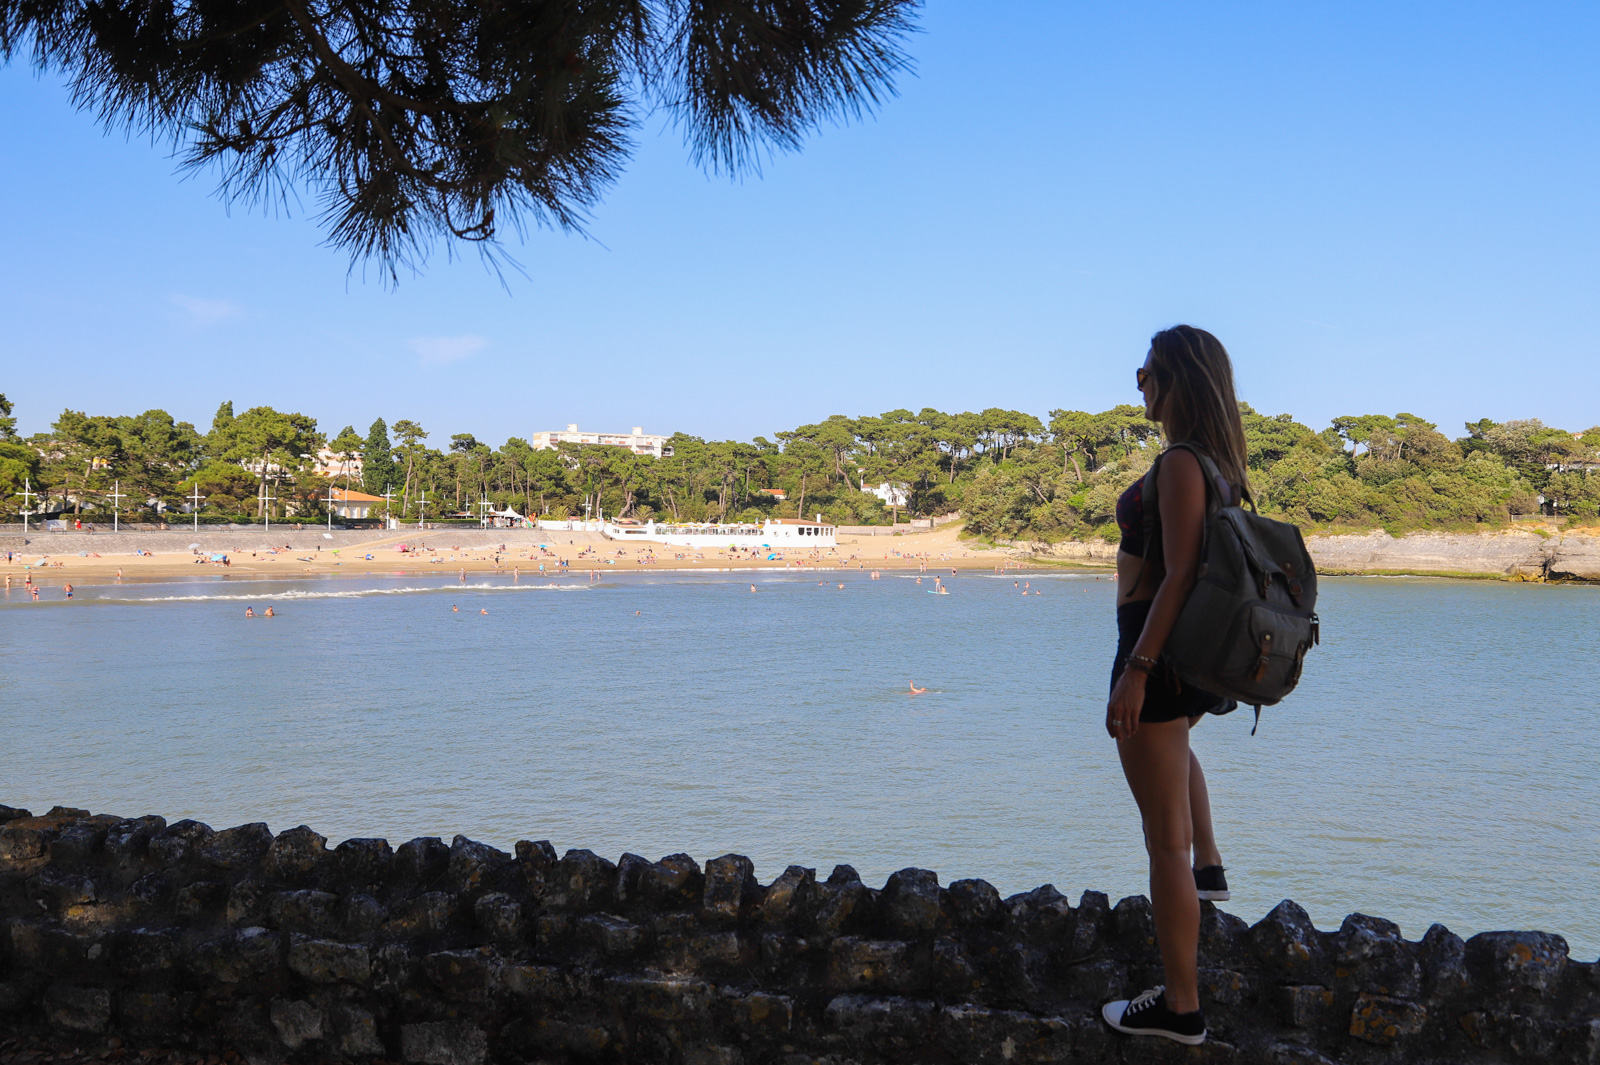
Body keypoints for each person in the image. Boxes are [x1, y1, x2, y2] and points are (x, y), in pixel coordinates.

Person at [1100, 326, 1246, 1047]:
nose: (1140, 383)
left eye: (1147, 371)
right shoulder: (1219, 465)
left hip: (1152, 650)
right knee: (1176, 754)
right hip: (1176, 654)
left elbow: (1181, 573)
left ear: (1178, 378)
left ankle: (1180, 1008)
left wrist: (1136, 670)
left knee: (1164, 846)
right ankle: (1210, 864)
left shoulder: (1183, 462)